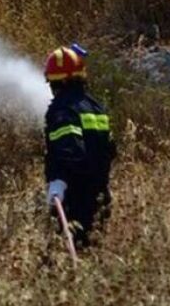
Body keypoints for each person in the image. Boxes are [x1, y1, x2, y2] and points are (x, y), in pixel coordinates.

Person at [43, 43, 115, 248]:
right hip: (101, 197)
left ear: (56, 82)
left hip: (75, 201)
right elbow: (110, 149)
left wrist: (59, 182)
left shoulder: (62, 110)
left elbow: (69, 149)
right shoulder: (95, 107)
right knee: (93, 254)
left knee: (64, 257)